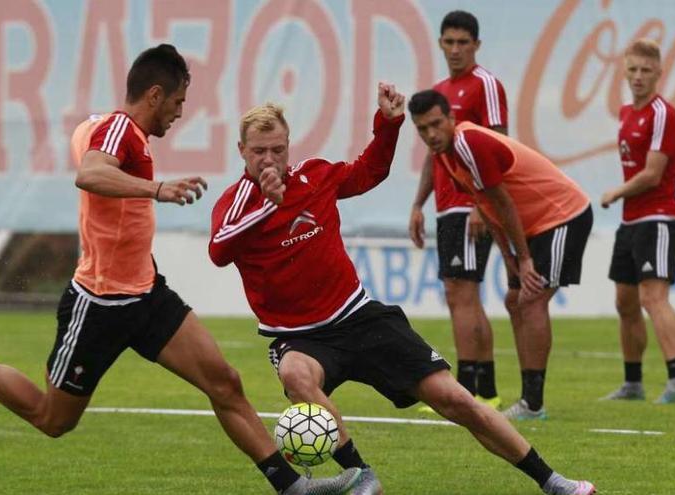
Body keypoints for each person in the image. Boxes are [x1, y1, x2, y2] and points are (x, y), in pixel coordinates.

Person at [0, 44, 361, 495]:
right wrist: (157, 189)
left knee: (224, 382)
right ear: (156, 95)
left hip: (146, 294)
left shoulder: (108, 128)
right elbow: (89, 173)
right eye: (179, 102)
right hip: (99, 304)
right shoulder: (121, 130)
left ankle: (292, 487)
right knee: (53, 419)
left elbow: (88, 143)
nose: (179, 114)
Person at [208, 83, 596, 495]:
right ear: (241, 151)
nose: (269, 159)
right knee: (295, 374)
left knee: (456, 400)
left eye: (277, 149)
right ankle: (362, 477)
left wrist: (389, 125)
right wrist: (268, 203)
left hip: (359, 316)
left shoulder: (315, 175)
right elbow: (218, 250)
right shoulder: (238, 202)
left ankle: (553, 482)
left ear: (289, 145)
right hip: (298, 337)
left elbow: (369, 171)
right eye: (258, 151)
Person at [408, 89, 594, 421]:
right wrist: (510, 259)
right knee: (515, 300)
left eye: (436, 124)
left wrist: (522, 259)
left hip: (563, 214)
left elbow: (504, 202)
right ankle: (527, 402)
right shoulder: (446, 155)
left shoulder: (467, 143)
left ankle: (532, 404)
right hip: (533, 225)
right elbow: (486, 205)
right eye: (422, 129)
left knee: (531, 299)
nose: (431, 134)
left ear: (452, 119)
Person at [409, 10, 504, 408]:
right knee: (462, 294)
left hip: (470, 204)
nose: (455, 49)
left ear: (476, 45)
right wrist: (418, 204)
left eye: (463, 42)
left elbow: (498, 145)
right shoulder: (441, 91)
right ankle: (486, 390)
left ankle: (468, 390)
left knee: (462, 293)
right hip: (448, 207)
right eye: (448, 42)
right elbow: (434, 157)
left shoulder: (485, 84)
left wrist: (482, 203)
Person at [600, 39, 675, 404]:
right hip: (631, 222)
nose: (638, 77)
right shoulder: (627, 112)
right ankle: (633, 383)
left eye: (645, 70)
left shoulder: (662, 113)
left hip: (658, 217)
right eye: (632, 70)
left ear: (658, 73)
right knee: (625, 302)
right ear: (624, 71)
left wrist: (616, 192)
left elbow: (653, 174)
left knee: (653, 297)